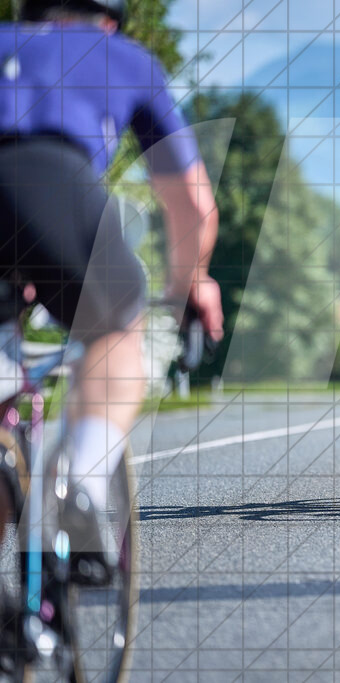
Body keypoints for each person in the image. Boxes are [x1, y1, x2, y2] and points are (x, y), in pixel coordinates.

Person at [0, 0, 223, 582]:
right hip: (51, 184)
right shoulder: (121, 56)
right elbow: (192, 204)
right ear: (108, 19)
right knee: (118, 321)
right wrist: (188, 285)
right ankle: (84, 483)